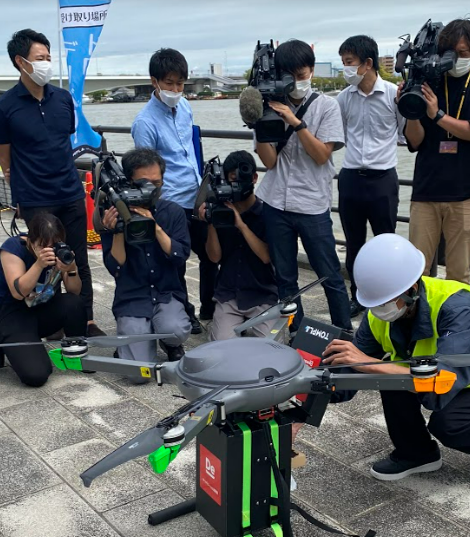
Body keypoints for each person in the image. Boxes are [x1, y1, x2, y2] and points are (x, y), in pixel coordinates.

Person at [322, 233, 470, 484]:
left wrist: (369, 363)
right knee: (387, 378)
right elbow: (351, 367)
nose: (378, 309)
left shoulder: (457, 308)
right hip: (430, 373)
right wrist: (307, 394)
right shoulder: (379, 314)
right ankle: (417, 453)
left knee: (448, 424)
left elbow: (445, 379)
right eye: (374, 303)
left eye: (385, 301)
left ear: (412, 290)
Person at [0, 29, 105, 338]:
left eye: (49, 58)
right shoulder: (3, 107)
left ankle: (85, 319)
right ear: (21, 62)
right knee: (44, 256)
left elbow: (61, 142)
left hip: (69, 191)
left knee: (76, 257)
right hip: (35, 197)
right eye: (40, 58)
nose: (46, 64)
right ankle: (47, 316)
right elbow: (5, 159)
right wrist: (20, 190)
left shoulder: (63, 99)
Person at [255, 39, 352, 333]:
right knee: (285, 277)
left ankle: (343, 333)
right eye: (290, 75)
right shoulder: (269, 105)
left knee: (330, 275)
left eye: (302, 73)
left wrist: (295, 122)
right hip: (275, 203)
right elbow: (269, 162)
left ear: (311, 69)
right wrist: (260, 123)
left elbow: (322, 154)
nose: (297, 81)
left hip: (312, 205)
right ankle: (296, 332)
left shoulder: (327, 106)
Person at [403, 19, 470, 284]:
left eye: (463, 53)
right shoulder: (429, 80)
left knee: (459, 272)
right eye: (449, 53)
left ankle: (455, 325)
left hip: (466, 189)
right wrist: (411, 109)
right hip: (427, 188)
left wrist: (437, 115)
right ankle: (419, 323)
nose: (455, 59)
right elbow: (415, 142)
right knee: (416, 271)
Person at [131, 48, 215, 336]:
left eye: (180, 83)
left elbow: (191, 150)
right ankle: (184, 311)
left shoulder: (186, 107)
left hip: (197, 195)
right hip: (170, 202)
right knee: (175, 262)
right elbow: (146, 172)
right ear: (154, 81)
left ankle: (210, 304)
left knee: (211, 254)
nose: (176, 89)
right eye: (169, 83)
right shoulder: (144, 123)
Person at [100, 148, 191, 373]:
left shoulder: (172, 212)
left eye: (157, 183)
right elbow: (115, 266)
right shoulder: (112, 211)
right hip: (133, 295)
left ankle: (169, 343)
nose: (151, 189)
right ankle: (133, 343)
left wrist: (156, 227)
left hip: (165, 293)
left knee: (176, 329)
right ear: (128, 181)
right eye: (143, 182)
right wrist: (118, 229)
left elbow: (180, 256)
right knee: (138, 373)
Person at [336, 35, 402, 317]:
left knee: (385, 242)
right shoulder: (342, 98)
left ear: (368, 63)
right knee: (353, 243)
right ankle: (357, 296)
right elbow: (337, 135)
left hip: (382, 179)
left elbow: (403, 134)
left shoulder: (393, 95)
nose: (346, 69)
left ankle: (388, 297)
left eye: (349, 63)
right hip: (350, 177)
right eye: (343, 63)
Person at [0, 213, 86, 387]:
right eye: (42, 246)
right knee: (36, 375)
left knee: (74, 304)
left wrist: (71, 268)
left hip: (41, 308)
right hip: (11, 314)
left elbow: (74, 291)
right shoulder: (12, 248)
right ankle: (14, 344)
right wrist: (39, 264)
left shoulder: (61, 250)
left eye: (53, 245)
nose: (48, 251)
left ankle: (74, 353)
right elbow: (18, 292)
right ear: (30, 240)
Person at [205, 151, 278, 340]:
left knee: (272, 348)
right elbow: (214, 258)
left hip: (262, 294)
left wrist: (241, 225)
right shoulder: (221, 211)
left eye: (239, 180)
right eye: (231, 181)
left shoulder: (267, 214)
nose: (235, 186)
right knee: (222, 349)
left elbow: (266, 256)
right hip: (229, 295)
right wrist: (211, 220)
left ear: (254, 178)